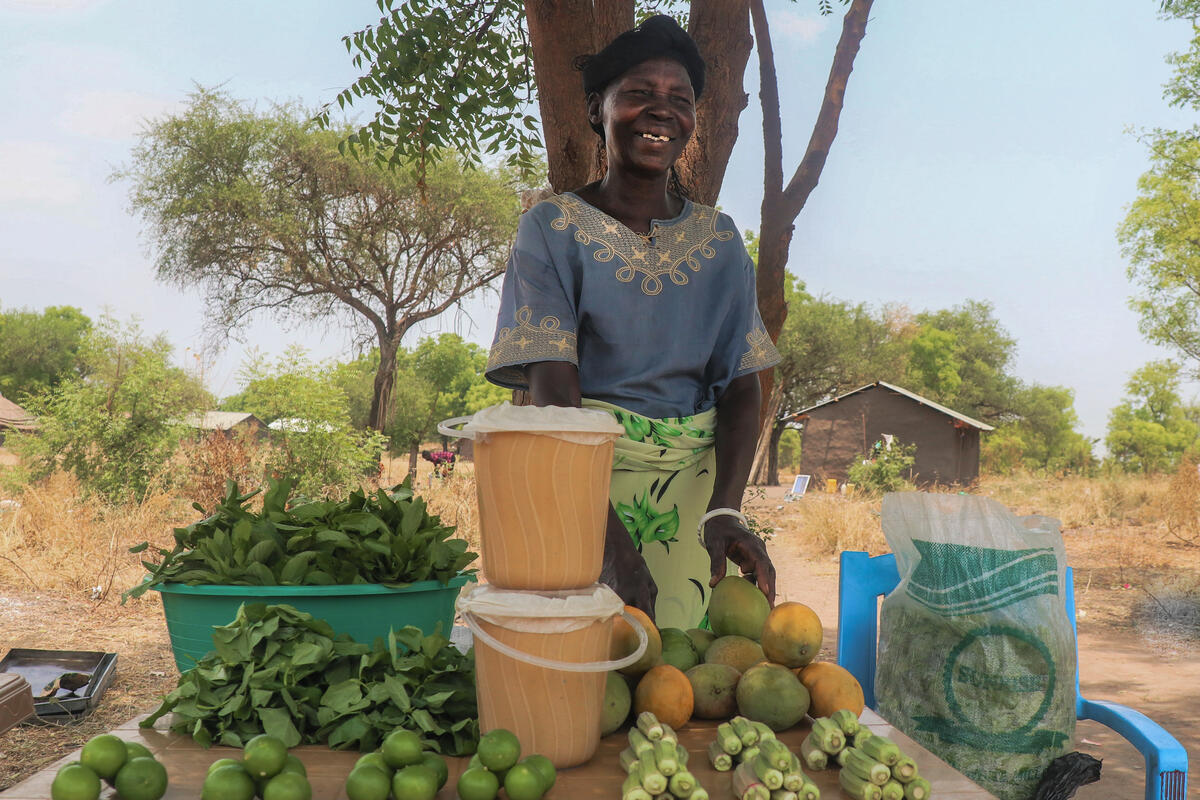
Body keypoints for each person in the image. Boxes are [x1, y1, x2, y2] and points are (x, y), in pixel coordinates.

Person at [484, 15, 779, 629]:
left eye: (680, 99)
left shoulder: (720, 241)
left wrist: (726, 513)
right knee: (586, 669)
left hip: (693, 499)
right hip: (580, 484)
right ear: (598, 109)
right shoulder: (552, 228)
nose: (660, 111)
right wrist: (608, 542)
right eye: (640, 94)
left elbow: (741, 387)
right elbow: (554, 391)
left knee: (683, 673)